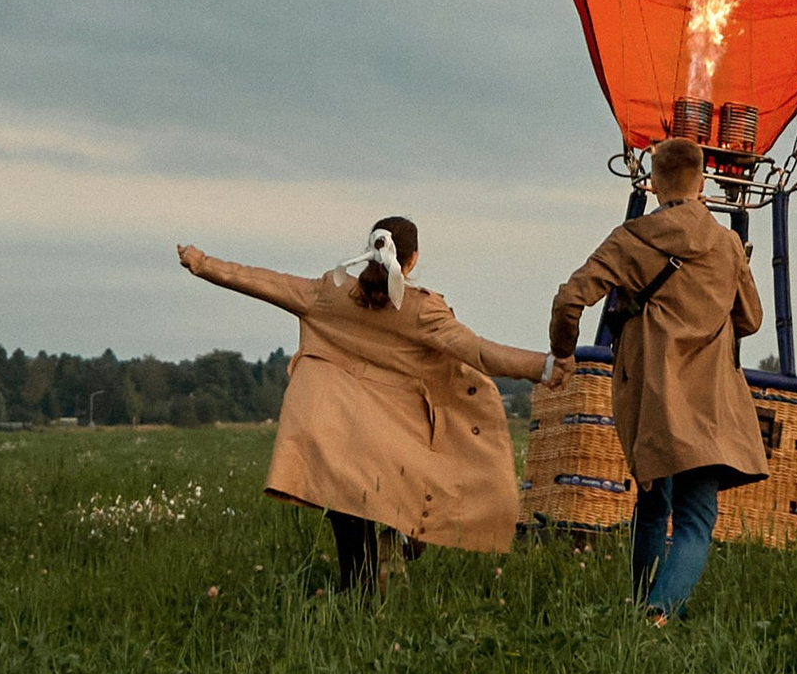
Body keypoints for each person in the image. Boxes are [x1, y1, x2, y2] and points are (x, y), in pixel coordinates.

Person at [175, 216, 549, 590]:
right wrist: (544, 367)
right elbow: (481, 352)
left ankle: (360, 590)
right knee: (402, 488)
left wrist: (202, 263)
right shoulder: (421, 310)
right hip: (396, 437)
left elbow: (265, 282)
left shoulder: (330, 293)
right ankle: (394, 551)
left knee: (350, 514)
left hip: (339, 434)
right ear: (413, 259)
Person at [549, 134, 765, 619]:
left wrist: (564, 351)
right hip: (710, 400)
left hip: (652, 394)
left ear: (652, 183)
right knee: (695, 518)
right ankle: (660, 611)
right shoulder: (728, 245)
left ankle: (647, 609)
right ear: (703, 181)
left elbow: (568, 300)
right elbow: (749, 319)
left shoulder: (630, 239)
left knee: (651, 508)